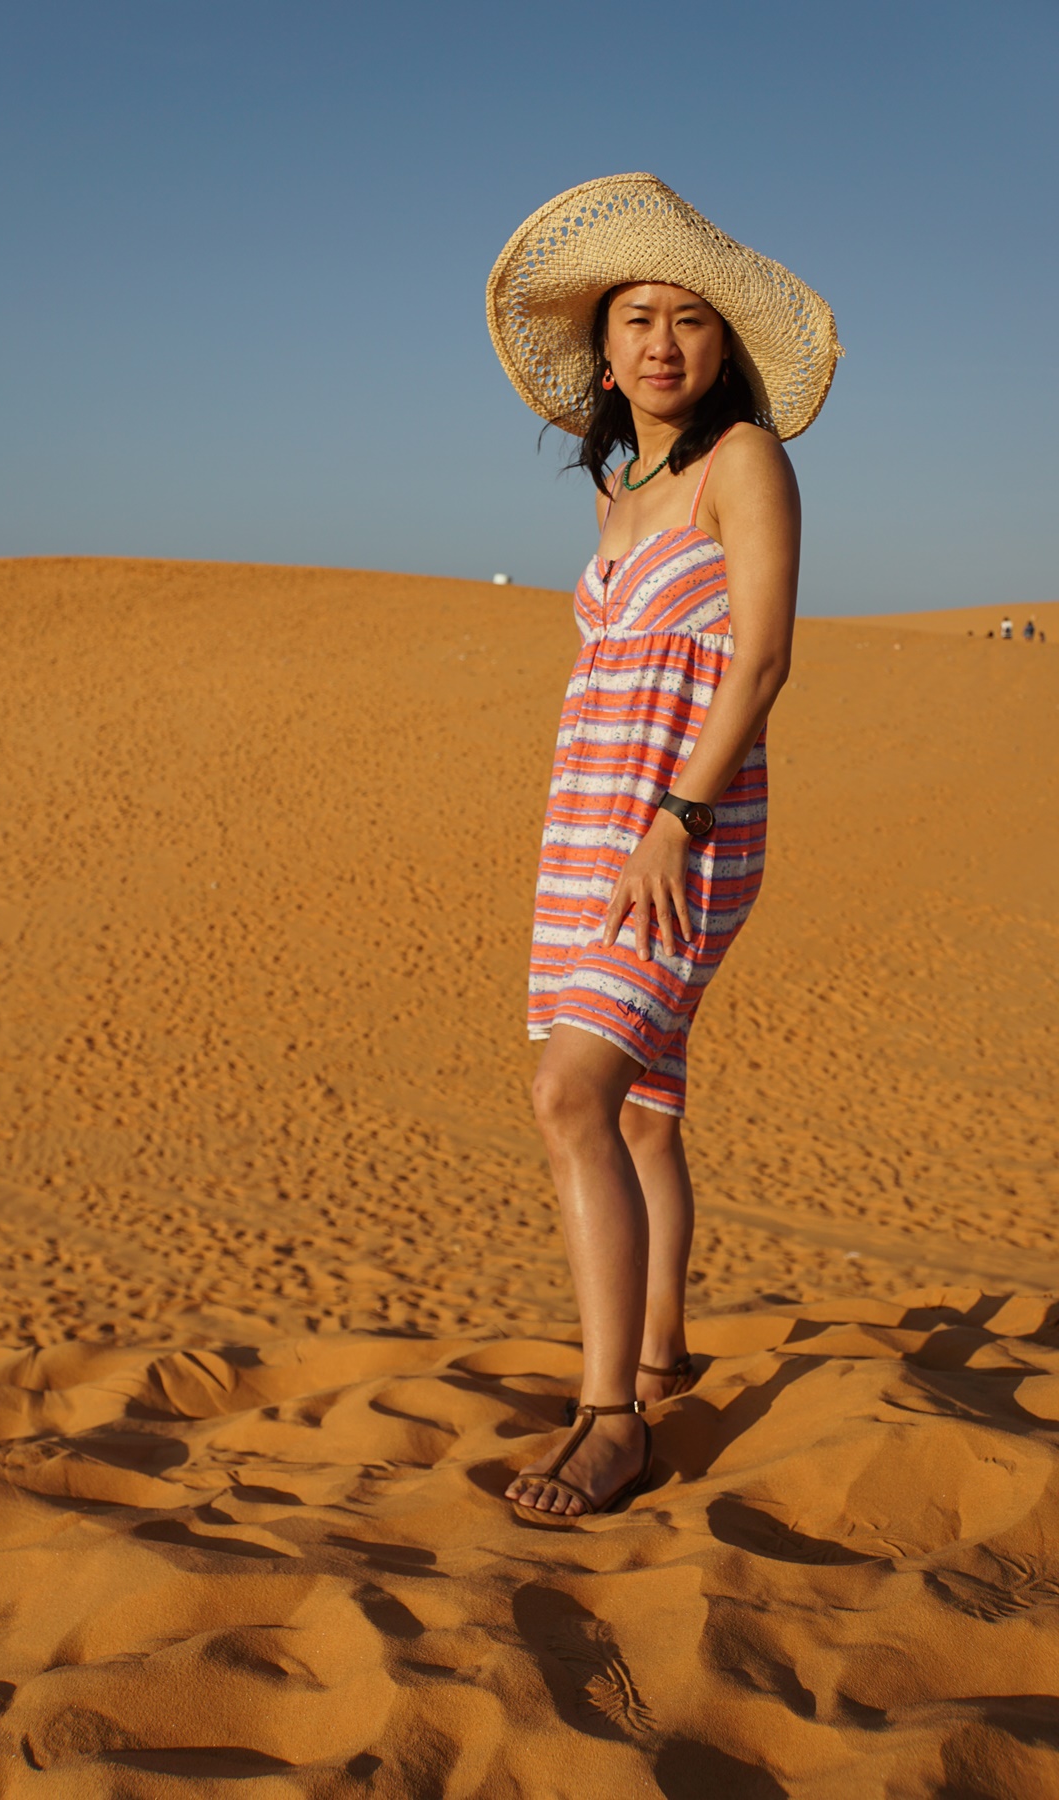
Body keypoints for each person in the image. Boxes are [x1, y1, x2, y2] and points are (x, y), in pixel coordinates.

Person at [486, 175, 841, 1525]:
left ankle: (611, 1421)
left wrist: (677, 823)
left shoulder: (747, 463)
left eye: (689, 320)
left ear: (722, 344)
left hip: (685, 825)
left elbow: (761, 662)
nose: (661, 343)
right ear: (603, 347)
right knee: (639, 1110)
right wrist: (612, 828)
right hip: (591, 821)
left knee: (568, 1096)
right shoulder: (620, 492)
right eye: (637, 318)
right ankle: (657, 1351)